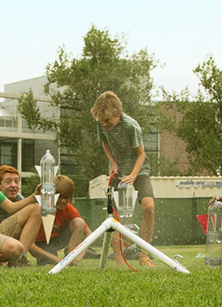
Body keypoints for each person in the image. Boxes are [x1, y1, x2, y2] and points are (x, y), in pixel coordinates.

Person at [91, 91, 156, 267]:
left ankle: (144, 256)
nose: (105, 125)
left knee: (149, 208)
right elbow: (105, 144)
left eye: (108, 121)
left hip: (139, 169)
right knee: (114, 217)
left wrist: (133, 175)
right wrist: (113, 163)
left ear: (118, 113)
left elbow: (141, 155)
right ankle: (120, 261)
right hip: (118, 170)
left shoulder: (131, 126)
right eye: (102, 122)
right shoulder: (102, 123)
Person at [27, 175, 93, 266]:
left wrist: (81, 253)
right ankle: (49, 260)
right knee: (50, 265)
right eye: (59, 197)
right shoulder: (39, 210)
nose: (62, 201)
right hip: (39, 245)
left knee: (79, 222)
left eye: (66, 197)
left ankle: (71, 259)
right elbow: (30, 245)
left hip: (55, 240)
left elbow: (89, 234)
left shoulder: (69, 209)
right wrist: (56, 259)